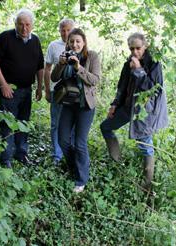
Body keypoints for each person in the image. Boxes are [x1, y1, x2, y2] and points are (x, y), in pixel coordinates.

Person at [100, 32, 168, 192]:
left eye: (138, 48)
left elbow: (153, 90)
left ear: (145, 46)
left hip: (145, 112)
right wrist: (115, 104)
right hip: (127, 106)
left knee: (145, 145)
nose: (135, 52)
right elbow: (122, 87)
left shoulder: (154, 64)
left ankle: (147, 185)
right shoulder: (128, 63)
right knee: (106, 127)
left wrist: (138, 70)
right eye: (132, 49)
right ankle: (118, 163)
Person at [0, 9, 44, 168]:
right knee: (7, 125)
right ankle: (6, 159)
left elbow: (40, 66)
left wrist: (40, 87)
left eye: (27, 24)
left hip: (27, 90)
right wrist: (3, 84)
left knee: (23, 123)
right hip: (9, 90)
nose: (24, 28)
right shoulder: (5, 37)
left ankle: (21, 154)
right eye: (21, 24)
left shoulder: (35, 41)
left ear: (32, 25)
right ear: (15, 24)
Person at [51, 28, 101, 193]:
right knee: (63, 139)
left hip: (85, 106)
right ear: (68, 43)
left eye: (78, 41)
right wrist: (60, 64)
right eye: (71, 41)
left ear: (84, 42)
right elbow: (54, 78)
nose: (75, 44)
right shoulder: (65, 56)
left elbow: (94, 80)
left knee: (80, 143)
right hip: (68, 104)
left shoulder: (92, 56)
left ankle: (81, 179)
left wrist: (79, 67)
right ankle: (76, 167)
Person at [44, 18, 75, 165]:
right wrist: (46, 90)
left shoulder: (79, 44)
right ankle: (57, 155)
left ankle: (71, 155)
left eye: (68, 29)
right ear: (59, 31)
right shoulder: (53, 46)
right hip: (57, 92)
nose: (66, 33)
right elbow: (47, 69)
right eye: (63, 30)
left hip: (75, 94)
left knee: (73, 124)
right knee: (55, 123)